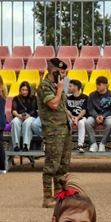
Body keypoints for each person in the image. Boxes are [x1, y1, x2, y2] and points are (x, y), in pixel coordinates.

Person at [39, 58, 72, 208]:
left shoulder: (56, 85)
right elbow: (53, 104)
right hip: (53, 130)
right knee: (52, 164)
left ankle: (60, 195)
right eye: (63, 72)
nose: (65, 75)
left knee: (63, 164)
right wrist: (59, 89)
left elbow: (61, 106)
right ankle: (47, 197)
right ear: (55, 72)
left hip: (63, 128)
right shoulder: (45, 86)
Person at [84, 76, 111, 152]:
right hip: (95, 116)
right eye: (97, 84)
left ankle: (102, 143)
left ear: (105, 85)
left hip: (107, 115)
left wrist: (103, 116)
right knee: (88, 122)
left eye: (99, 84)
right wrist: (96, 116)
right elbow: (90, 108)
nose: (97, 86)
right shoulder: (92, 95)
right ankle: (93, 143)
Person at [10, 81, 41, 152]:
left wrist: (28, 115)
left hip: (30, 116)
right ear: (20, 90)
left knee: (27, 123)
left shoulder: (33, 98)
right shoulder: (16, 98)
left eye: (26, 90)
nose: (24, 92)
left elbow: (34, 110)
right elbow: (13, 110)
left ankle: (26, 145)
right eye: (23, 90)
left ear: (29, 90)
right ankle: (16, 145)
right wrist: (18, 115)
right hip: (19, 115)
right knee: (14, 122)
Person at [66, 79, 90, 153]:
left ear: (76, 87)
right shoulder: (68, 98)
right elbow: (66, 110)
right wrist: (72, 117)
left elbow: (84, 110)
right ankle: (66, 144)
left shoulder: (85, 97)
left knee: (81, 123)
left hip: (82, 117)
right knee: (66, 122)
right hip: (71, 117)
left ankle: (80, 145)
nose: (68, 88)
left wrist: (77, 118)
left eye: (70, 86)